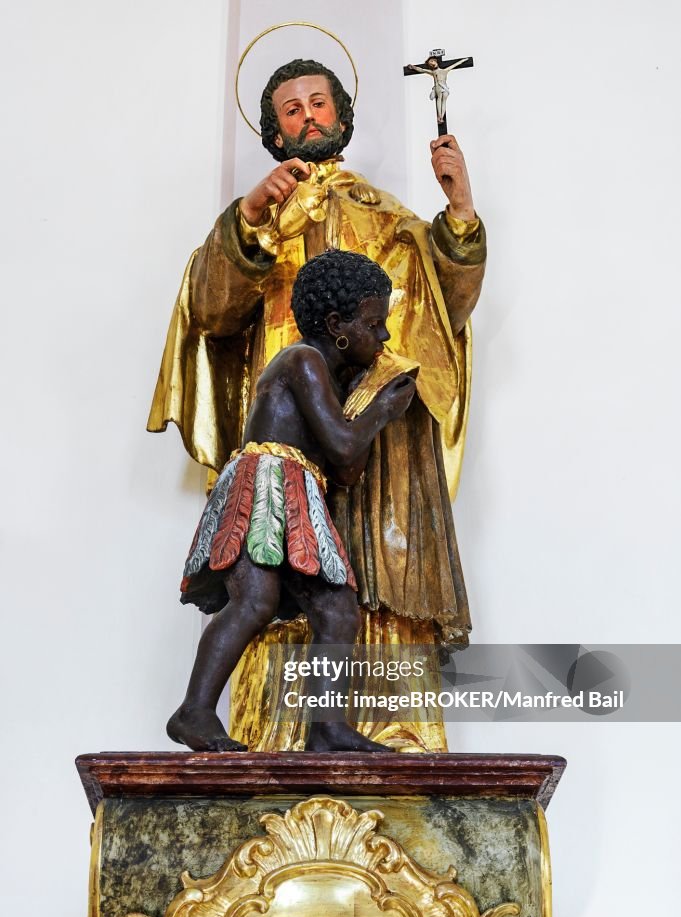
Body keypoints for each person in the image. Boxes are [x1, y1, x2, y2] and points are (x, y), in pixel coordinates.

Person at [148, 58, 487, 753]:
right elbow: (211, 311)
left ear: (341, 115)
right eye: (291, 110)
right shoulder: (262, 223)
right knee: (267, 591)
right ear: (274, 132)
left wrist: (457, 213)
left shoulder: (387, 218)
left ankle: (364, 722)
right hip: (292, 447)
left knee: (357, 577)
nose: (307, 117)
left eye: (318, 104)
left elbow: (441, 307)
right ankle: (262, 726)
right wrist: (248, 217)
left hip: (376, 447)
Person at [168, 251, 415, 752]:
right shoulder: (302, 360)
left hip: (297, 487)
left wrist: (365, 404)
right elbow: (344, 445)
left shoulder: (326, 369)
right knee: (255, 601)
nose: (383, 336)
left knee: (337, 609)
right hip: (268, 485)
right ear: (336, 325)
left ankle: (325, 727)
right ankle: (193, 712)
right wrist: (383, 411)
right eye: (374, 323)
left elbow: (344, 469)